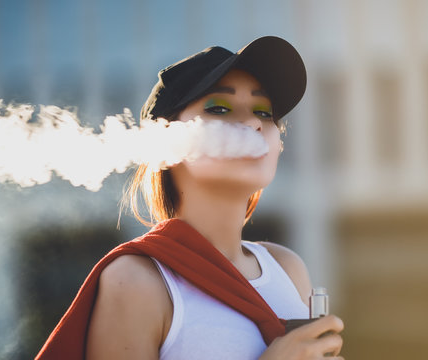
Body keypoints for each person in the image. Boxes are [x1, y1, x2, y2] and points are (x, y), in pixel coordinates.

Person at [36, 36, 344, 360]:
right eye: (220, 109)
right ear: (164, 141)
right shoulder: (137, 282)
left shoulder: (288, 269)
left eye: (264, 112)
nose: (253, 123)